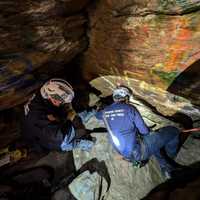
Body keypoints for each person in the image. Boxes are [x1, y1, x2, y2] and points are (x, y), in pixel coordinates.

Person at [95, 85, 180, 178]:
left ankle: (165, 167)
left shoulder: (104, 112)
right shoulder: (130, 109)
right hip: (139, 152)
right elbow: (144, 131)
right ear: (126, 98)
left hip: (125, 154)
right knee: (173, 131)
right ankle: (170, 158)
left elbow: (97, 115)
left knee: (152, 142)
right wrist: (150, 131)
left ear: (114, 98)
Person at [22, 78, 95, 152]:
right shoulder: (38, 118)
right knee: (64, 142)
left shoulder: (46, 91)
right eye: (63, 102)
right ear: (54, 100)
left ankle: (90, 112)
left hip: (42, 121)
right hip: (43, 138)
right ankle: (79, 144)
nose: (65, 103)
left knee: (70, 115)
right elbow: (59, 136)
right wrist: (69, 119)